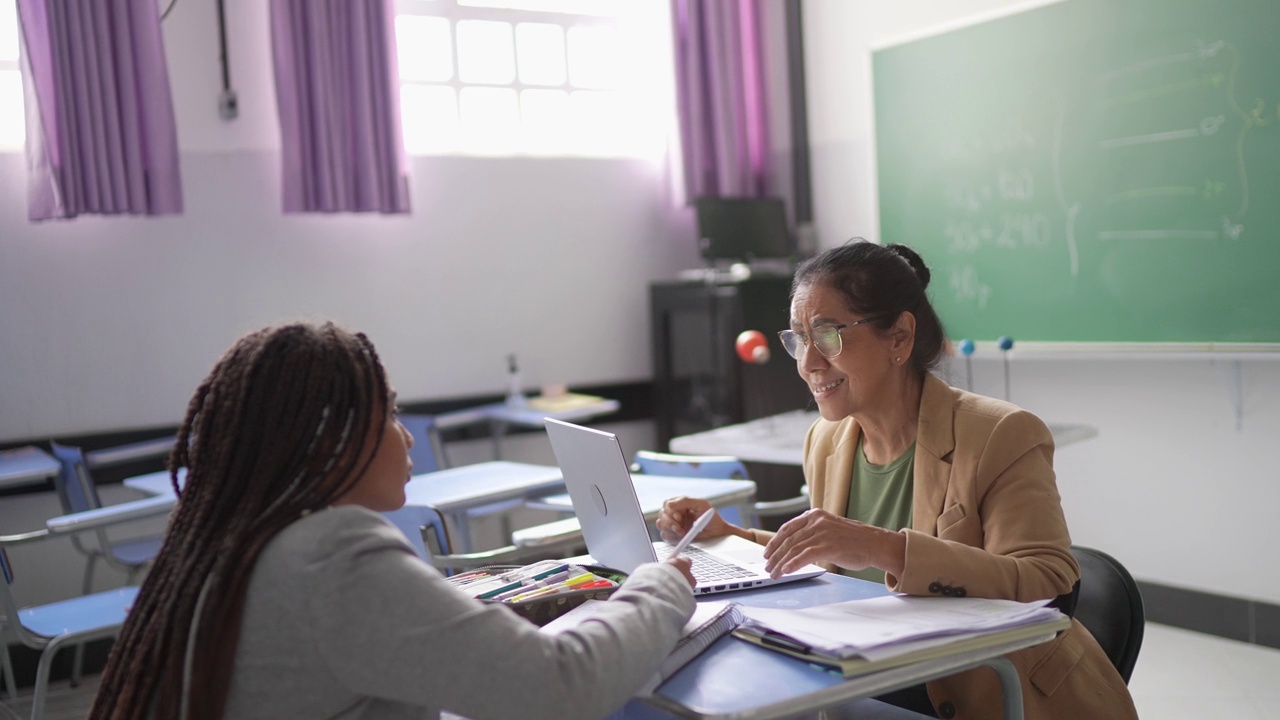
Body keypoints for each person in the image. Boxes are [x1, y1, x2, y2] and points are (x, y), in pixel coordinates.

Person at [89, 322, 696, 720]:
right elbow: (561, 685)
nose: (406, 436)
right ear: (331, 438)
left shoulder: (229, 542)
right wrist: (661, 583)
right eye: (391, 413)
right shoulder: (330, 553)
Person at [657, 241, 1137, 720]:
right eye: (799, 337)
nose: (808, 362)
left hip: (996, 698)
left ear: (900, 339)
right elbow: (830, 551)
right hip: (875, 685)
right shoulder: (825, 440)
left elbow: (1046, 582)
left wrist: (885, 549)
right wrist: (729, 534)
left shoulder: (1000, 433)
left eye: (827, 334)